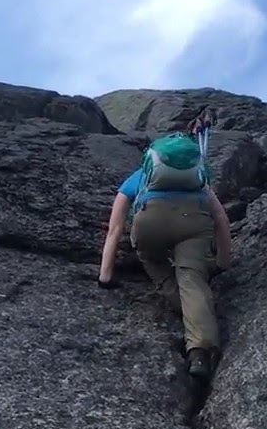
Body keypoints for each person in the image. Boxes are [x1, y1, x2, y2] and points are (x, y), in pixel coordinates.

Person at [96, 119, 233, 379]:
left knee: (153, 260)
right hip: (194, 221)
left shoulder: (139, 177)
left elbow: (114, 230)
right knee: (193, 278)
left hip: (150, 223)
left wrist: (105, 276)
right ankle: (200, 353)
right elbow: (221, 220)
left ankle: (185, 309)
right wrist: (224, 262)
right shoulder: (199, 179)